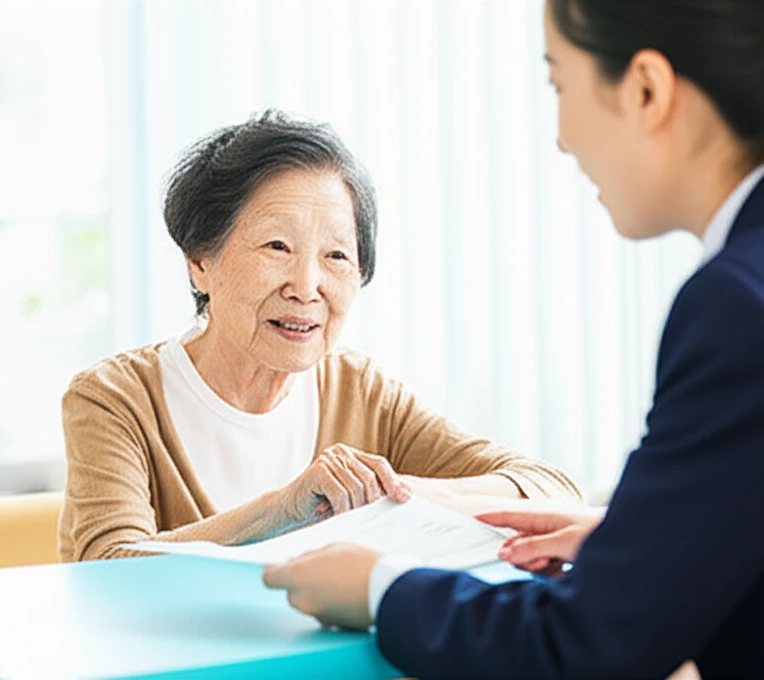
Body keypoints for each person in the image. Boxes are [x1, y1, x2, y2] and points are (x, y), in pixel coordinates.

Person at [263, 1, 764, 677]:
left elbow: (587, 645)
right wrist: (655, 545)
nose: (560, 137)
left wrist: (381, 586)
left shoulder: (734, 305)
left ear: (646, 89)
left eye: (560, 84)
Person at [58, 110, 582, 563]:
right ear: (200, 262)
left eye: (336, 256)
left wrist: (392, 494)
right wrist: (285, 508)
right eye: (277, 246)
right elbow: (107, 566)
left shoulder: (363, 392)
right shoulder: (115, 399)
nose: (306, 288)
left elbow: (552, 491)